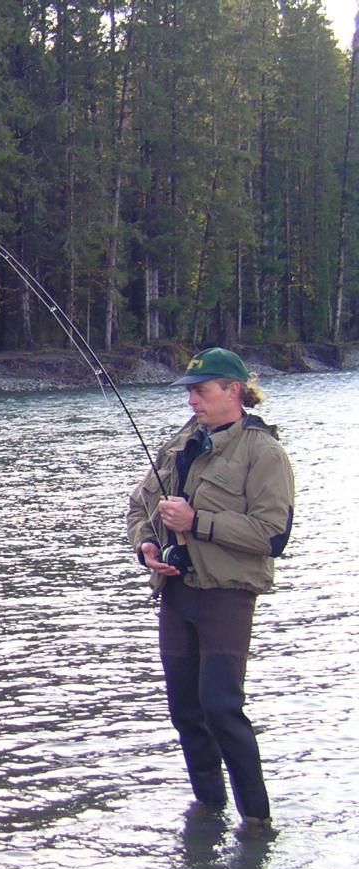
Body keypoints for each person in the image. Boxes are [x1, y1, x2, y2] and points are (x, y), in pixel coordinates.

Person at [126, 347, 294, 836]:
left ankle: (257, 820)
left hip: (227, 596)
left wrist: (198, 522)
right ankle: (208, 807)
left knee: (221, 706)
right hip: (176, 594)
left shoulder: (264, 452)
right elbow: (139, 507)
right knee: (185, 709)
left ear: (234, 390)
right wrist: (148, 548)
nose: (192, 400)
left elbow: (273, 535)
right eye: (189, 391)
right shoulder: (181, 443)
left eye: (201, 390)